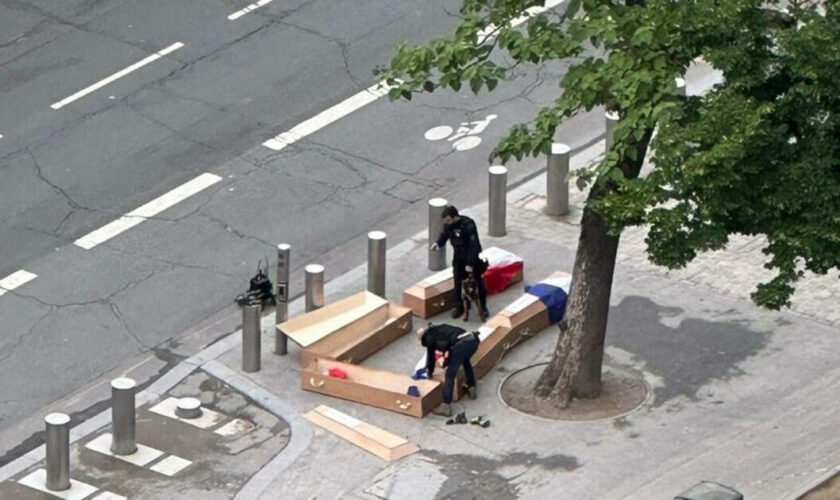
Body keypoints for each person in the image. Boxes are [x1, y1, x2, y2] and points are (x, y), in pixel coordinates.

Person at [430, 205, 488, 319]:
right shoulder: (449, 225)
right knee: (457, 281)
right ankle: (459, 306)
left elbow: (473, 244)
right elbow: (445, 235)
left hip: (471, 257)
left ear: (454, 217)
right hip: (459, 257)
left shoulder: (468, 225)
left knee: (477, 282)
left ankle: (483, 306)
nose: (447, 223)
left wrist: (470, 263)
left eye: (448, 220)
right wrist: (438, 244)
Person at [416, 323, 479, 417]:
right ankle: (471, 387)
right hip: (473, 340)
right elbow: (448, 346)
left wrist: (429, 372)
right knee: (465, 361)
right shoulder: (440, 328)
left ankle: (446, 406)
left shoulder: (429, 338)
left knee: (450, 375)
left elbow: (431, 359)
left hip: (461, 345)